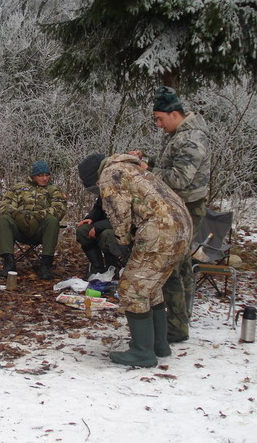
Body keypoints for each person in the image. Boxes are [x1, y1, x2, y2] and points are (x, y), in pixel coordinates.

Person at [78, 153, 192, 368]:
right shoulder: (133, 168)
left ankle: (142, 352)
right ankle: (159, 345)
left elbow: (119, 212)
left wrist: (122, 241)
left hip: (160, 230)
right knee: (151, 287)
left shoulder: (110, 175)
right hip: (181, 227)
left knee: (131, 288)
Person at [131, 86, 211, 343]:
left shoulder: (192, 138)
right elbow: (171, 164)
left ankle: (176, 328)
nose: (157, 124)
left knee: (172, 267)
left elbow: (179, 178)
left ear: (174, 114)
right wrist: (148, 160)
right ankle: (180, 318)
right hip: (177, 206)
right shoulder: (179, 134)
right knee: (182, 264)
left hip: (186, 209)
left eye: (159, 119)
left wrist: (146, 171)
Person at [0, 160, 67, 280]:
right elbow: (4, 206)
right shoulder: (18, 188)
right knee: (2, 219)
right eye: (41, 175)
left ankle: (45, 265)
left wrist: (39, 216)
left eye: (47, 175)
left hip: (41, 231)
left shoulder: (54, 190)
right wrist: (17, 214)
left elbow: (59, 209)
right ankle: (8, 263)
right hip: (20, 228)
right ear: (33, 176)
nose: (45, 178)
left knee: (53, 221)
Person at [75, 197, 130, 278]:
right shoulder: (106, 191)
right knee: (83, 230)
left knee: (107, 235)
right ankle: (98, 268)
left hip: (124, 229)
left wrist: (98, 227)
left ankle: (113, 267)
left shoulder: (126, 192)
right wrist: (90, 218)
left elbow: (125, 219)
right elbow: (98, 208)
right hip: (106, 224)